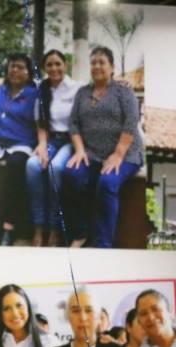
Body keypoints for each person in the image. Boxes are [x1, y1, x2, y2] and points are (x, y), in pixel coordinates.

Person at [63, 46, 144, 248]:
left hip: (126, 155)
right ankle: (80, 233)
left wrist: (117, 155)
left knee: (107, 183)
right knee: (71, 175)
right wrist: (80, 150)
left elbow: (131, 123)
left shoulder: (124, 92)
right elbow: (73, 123)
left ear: (112, 67)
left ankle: (103, 245)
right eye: (93, 63)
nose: (97, 66)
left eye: (102, 62)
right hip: (92, 153)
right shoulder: (83, 93)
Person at [0, 53, 39, 246]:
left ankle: (8, 227)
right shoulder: (0, 90)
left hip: (20, 143)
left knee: (16, 166)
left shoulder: (34, 94)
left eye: (20, 67)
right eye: (12, 66)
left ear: (28, 72)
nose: (15, 70)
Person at [26, 50, 82, 247]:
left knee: (56, 168)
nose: (54, 68)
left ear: (65, 65)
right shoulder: (42, 89)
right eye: (49, 64)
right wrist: (42, 145)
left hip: (70, 141)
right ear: (44, 68)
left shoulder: (76, 88)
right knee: (32, 165)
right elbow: (40, 122)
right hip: (50, 140)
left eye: (58, 63)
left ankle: (55, 228)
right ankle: (39, 226)